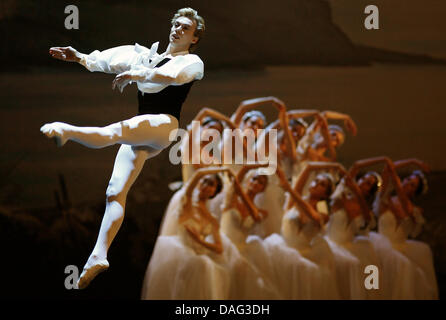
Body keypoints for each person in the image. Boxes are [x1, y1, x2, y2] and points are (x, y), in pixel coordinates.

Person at [40, 8, 205, 289]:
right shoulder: (144, 54)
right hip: (145, 131)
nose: (178, 29)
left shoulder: (192, 61)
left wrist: (137, 74)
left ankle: (66, 131)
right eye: (176, 24)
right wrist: (78, 57)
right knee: (115, 191)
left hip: (164, 124)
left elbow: (173, 77)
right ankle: (98, 256)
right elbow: (106, 60)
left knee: (116, 131)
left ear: (194, 38)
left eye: (185, 28)